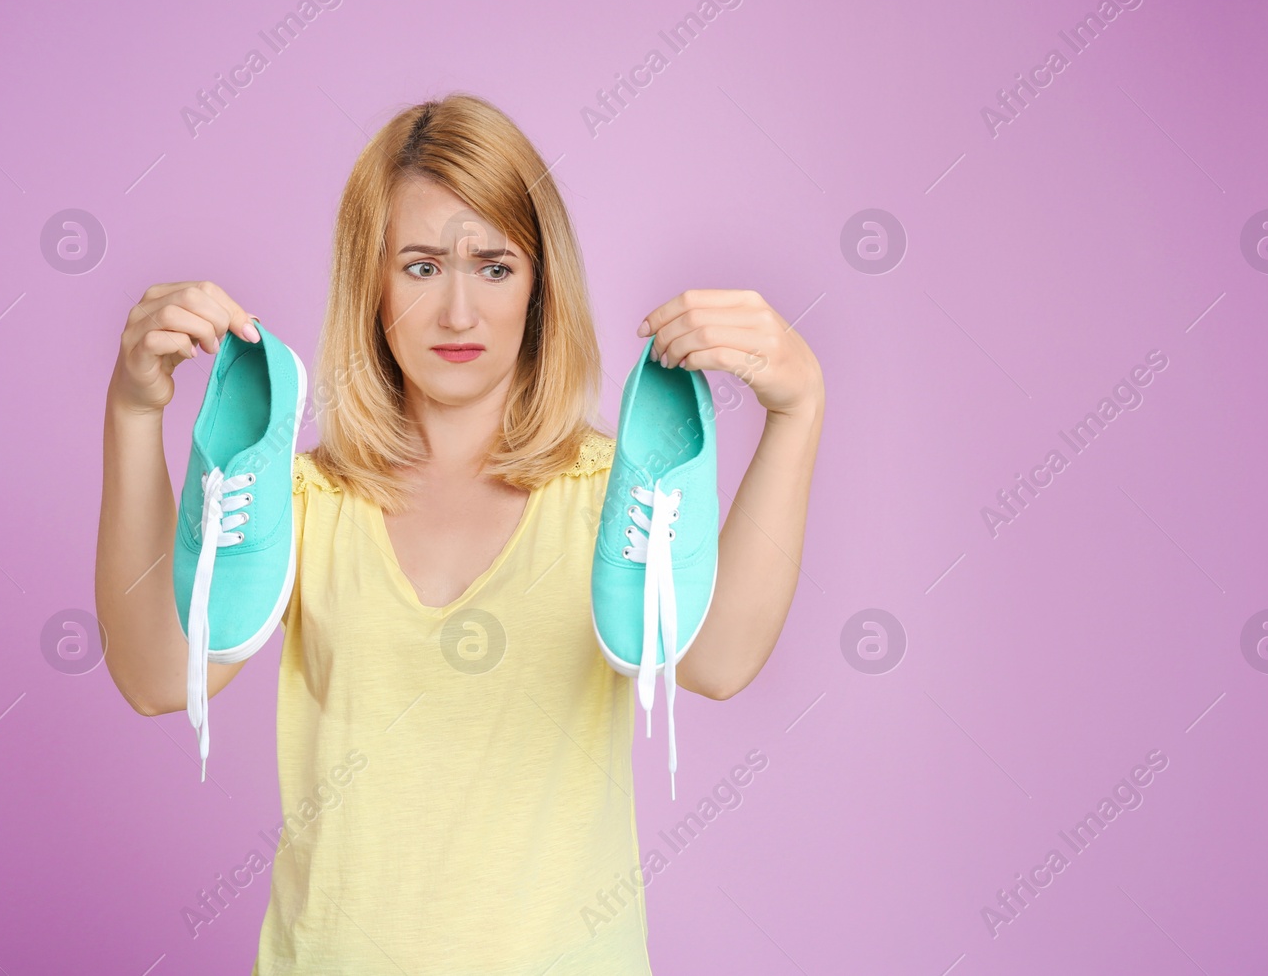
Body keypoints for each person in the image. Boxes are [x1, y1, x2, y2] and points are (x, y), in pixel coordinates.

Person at [94, 93, 825, 974]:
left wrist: (799, 405)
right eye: (421, 266)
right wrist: (135, 411)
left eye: (494, 266)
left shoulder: (611, 495)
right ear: (371, 280)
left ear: (540, 286)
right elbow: (149, 675)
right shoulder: (304, 503)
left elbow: (715, 663)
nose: (458, 313)